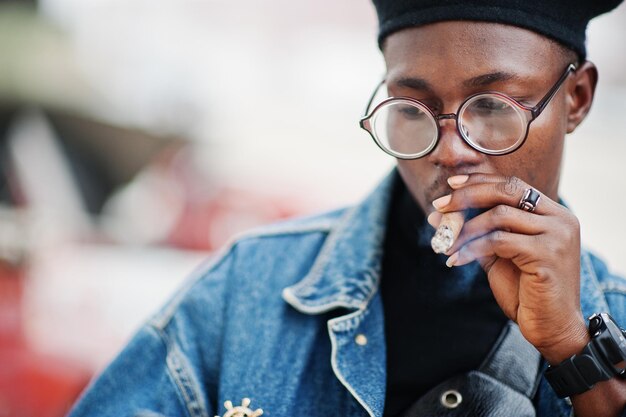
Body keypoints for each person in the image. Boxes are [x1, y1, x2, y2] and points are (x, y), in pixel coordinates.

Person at [69, 1, 626, 416]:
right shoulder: (247, 291)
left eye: (495, 105)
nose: (449, 149)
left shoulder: (618, 316)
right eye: (412, 109)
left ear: (576, 99)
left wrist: (576, 355)